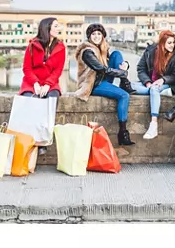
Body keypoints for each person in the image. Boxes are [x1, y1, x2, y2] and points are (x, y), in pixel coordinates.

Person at [68, 23, 136, 146]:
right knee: (124, 96)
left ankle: (125, 83)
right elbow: (102, 69)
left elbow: (112, 64)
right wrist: (123, 73)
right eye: (93, 34)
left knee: (117, 54)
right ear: (89, 37)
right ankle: (123, 132)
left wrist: (125, 65)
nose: (96, 36)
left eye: (99, 34)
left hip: (103, 80)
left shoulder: (103, 49)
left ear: (103, 36)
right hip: (92, 84)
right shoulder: (87, 51)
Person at [19, 16, 66, 154]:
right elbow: (27, 68)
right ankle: (33, 139)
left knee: (50, 102)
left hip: (50, 83)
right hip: (31, 83)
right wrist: (35, 84)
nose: (59, 29)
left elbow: (58, 70)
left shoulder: (61, 47)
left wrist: (47, 84)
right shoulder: (32, 45)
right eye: (56, 26)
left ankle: (43, 141)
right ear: (47, 28)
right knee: (32, 101)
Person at [132, 30, 175, 139]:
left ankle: (153, 125)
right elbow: (141, 68)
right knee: (128, 86)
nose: (172, 45)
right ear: (162, 43)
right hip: (150, 82)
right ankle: (158, 92)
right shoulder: (150, 51)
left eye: (173, 43)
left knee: (154, 90)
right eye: (169, 43)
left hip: (167, 83)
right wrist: (147, 82)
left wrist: (163, 80)